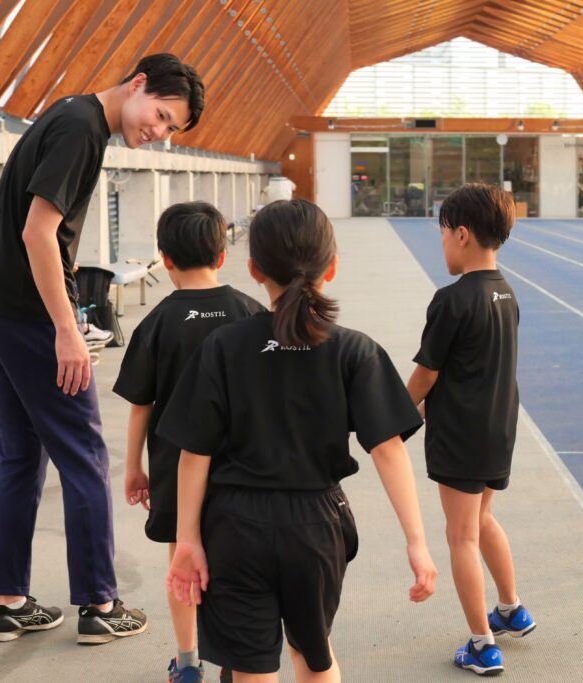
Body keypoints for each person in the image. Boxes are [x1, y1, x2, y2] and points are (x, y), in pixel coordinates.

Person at [0, 53, 204, 644]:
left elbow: (54, 232)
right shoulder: (80, 129)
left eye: (171, 129)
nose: (159, 133)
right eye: (163, 117)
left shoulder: (71, 114)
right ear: (139, 84)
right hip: (23, 314)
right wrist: (66, 329)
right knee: (85, 454)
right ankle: (99, 604)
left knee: (20, 452)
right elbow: (36, 231)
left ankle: (9, 600)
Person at [162, 200, 437, 683]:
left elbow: (194, 452)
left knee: (250, 669)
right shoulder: (354, 349)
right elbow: (388, 449)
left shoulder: (224, 346)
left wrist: (187, 539)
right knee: (314, 657)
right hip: (315, 528)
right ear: (331, 267)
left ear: (252, 268)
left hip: (235, 528)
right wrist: (417, 542)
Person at [113, 202, 266, 682]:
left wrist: (135, 466)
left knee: (183, 560)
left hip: (176, 469)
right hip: (244, 471)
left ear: (165, 258)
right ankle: (235, 659)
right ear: (222, 256)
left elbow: (141, 403)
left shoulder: (158, 321)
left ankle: (187, 661)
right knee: (237, 565)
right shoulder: (251, 312)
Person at [406, 184, 535, 677]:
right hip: (498, 429)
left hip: (461, 433)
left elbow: (427, 372)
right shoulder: (506, 291)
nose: (442, 245)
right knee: (482, 521)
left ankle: (482, 644)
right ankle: (510, 609)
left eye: (442, 235)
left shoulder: (452, 300)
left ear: (461, 235)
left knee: (460, 536)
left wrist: (396, 412)